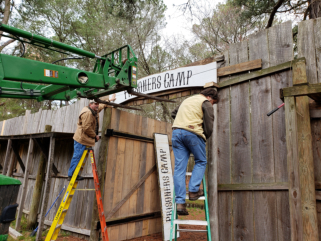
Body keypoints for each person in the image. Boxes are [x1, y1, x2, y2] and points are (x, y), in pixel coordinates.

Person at [171, 88, 218, 215]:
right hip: (192, 134)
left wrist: (183, 122)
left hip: (176, 132)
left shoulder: (187, 100)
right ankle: (193, 191)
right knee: (201, 161)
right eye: (213, 102)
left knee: (179, 168)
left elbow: (173, 113)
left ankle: (180, 203)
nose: (212, 104)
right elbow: (209, 124)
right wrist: (205, 135)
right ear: (209, 97)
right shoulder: (205, 102)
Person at [67, 94, 116, 181]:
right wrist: (95, 136)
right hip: (81, 139)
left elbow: (101, 106)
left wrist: (109, 100)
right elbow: (86, 128)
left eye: (97, 104)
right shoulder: (88, 113)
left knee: (78, 156)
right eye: (95, 104)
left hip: (84, 138)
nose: (97, 105)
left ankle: (74, 173)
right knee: (77, 156)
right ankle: (71, 175)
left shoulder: (94, 110)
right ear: (90, 104)